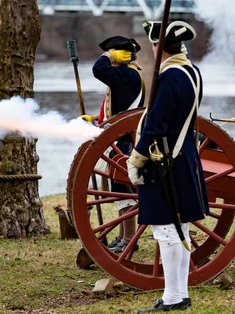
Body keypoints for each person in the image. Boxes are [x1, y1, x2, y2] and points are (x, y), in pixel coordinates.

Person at [127, 20, 208, 312]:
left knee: (166, 231)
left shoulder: (169, 77)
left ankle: (174, 296)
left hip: (164, 163)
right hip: (184, 157)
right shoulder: (191, 72)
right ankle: (179, 293)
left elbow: (156, 124)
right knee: (180, 228)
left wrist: (136, 158)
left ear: (156, 46)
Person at [83, 36, 145, 253]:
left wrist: (108, 56)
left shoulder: (126, 73)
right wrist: (97, 120)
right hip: (121, 137)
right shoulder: (127, 74)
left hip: (126, 142)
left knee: (122, 188)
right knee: (118, 189)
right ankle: (123, 236)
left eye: (113, 53)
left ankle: (129, 238)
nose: (110, 58)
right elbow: (119, 108)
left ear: (121, 55)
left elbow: (98, 69)